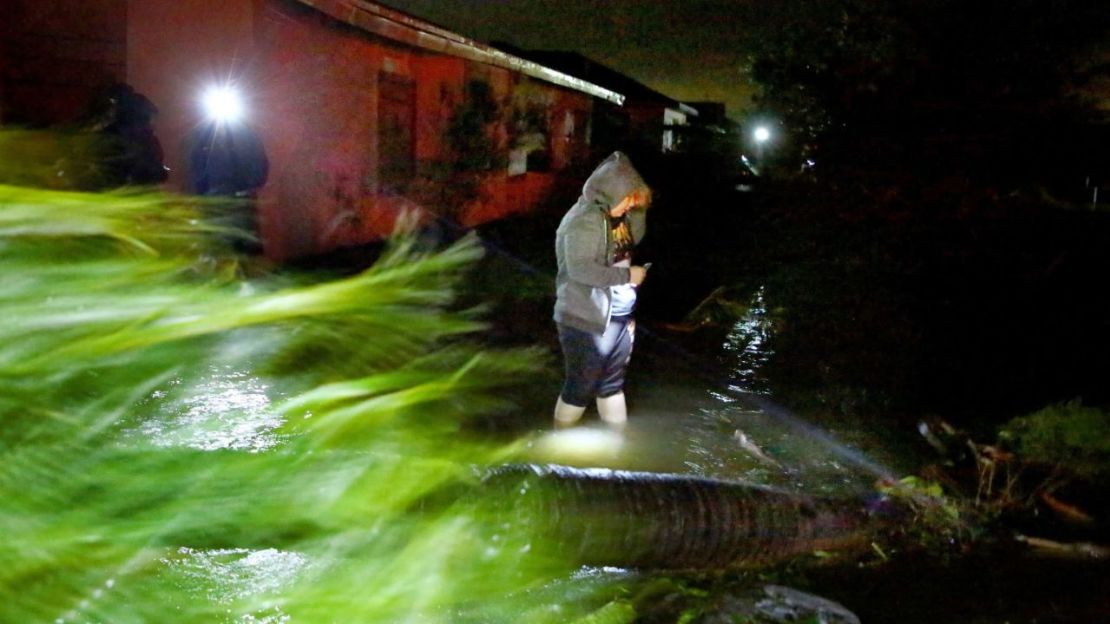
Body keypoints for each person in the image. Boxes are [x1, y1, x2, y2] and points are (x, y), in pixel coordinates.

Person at [552, 151, 652, 429]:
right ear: (608, 193)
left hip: (619, 316)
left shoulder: (618, 217)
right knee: (581, 386)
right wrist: (627, 275)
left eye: (633, 202)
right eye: (626, 200)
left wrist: (637, 208)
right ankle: (557, 445)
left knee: (611, 384)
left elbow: (635, 238)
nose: (628, 207)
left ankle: (619, 449)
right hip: (584, 318)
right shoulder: (584, 221)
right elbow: (581, 270)